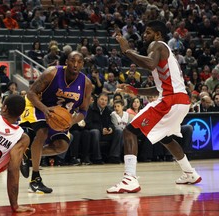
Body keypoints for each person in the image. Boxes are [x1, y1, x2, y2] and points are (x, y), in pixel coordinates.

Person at [107, 20, 201, 194]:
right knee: (165, 137)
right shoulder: (164, 53)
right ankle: (190, 173)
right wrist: (135, 90)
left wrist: (127, 50)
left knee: (129, 131)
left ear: (158, 35)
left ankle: (130, 179)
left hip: (171, 100)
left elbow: (149, 64)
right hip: (180, 101)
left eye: (149, 32)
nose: (145, 35)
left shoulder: (156, 45)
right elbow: (159, 88)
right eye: (144, 32)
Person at [19, 51, 92, 193]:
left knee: (62, 145)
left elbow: (83, 111)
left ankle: (27, 154)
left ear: (83, 64)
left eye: (79, 61)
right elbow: (31, 93)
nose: (75, 64)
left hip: (60, 115)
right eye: (72, 60)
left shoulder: (86, 84)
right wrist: (45, 109)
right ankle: (35, 179)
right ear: (66, 62)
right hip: (38, 106)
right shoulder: (51, 73)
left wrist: (72, 121)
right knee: (42, 132)